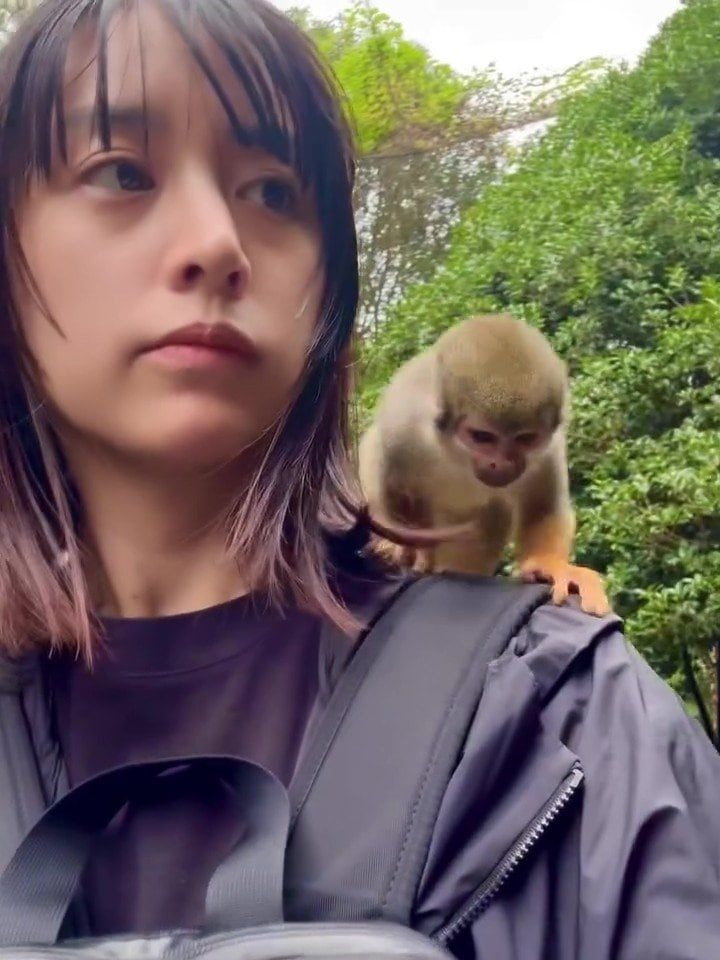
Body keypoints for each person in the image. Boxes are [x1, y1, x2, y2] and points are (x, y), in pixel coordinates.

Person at [0, 0, 718, 957]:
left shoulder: (562, 719)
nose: (217, 242)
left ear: (329, 305)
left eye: (272, 192)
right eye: (122, 172)